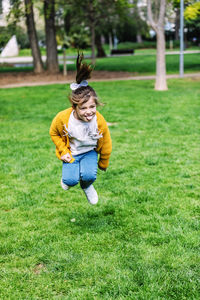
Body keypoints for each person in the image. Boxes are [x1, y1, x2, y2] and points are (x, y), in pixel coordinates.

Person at [49, 53, 112, 205]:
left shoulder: (98, 120)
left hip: (89, 152)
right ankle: (68, 179)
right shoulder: (63, 118)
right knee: (70, 181)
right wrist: (63, 151)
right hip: (72, 152)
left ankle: (87, 186)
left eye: (92, 106)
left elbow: (107, 142)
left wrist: (103, 162)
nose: (89, 111)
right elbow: (54, 133)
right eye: (83, 108)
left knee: (89, 176)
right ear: (74, 107)